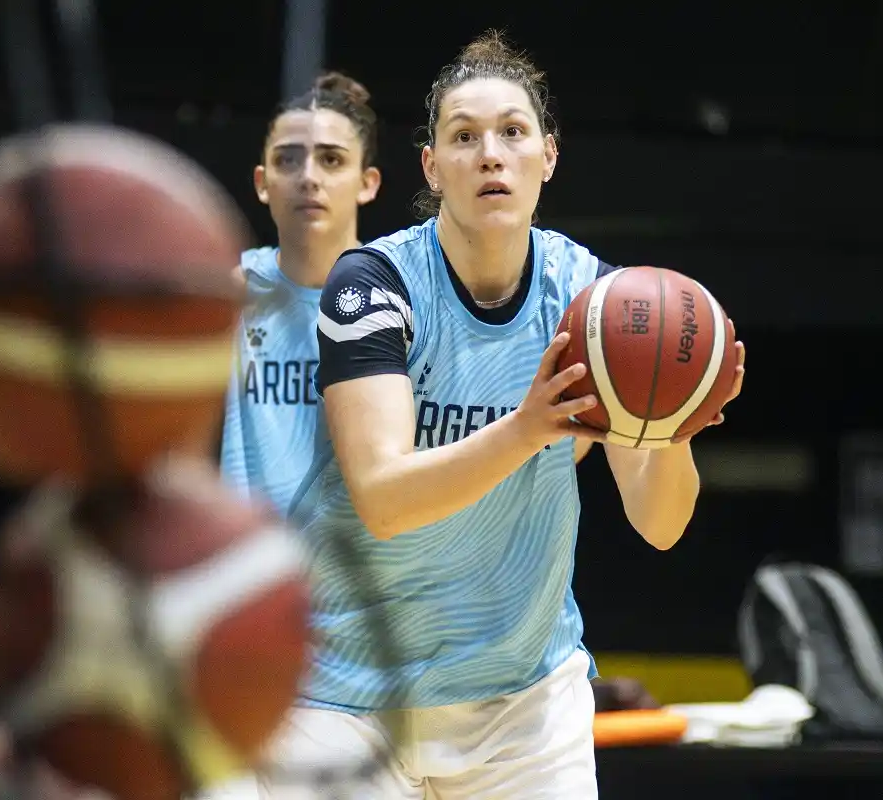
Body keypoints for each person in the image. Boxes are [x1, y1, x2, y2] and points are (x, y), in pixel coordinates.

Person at [263, 31, 746, 799]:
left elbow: (660, 524)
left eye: (513, 133)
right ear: (432, 166)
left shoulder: (597, 305)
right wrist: (527, 428)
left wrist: (671, 427)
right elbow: (386, 500)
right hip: (349, 692)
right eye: (464, 136)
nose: (491, 154)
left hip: (521, 697)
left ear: (547, 156)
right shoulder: (372, 284)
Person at [220, 71, 382, 516]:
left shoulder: (404, 297)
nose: (308, 177)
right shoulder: (229, 295)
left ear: (368, 183)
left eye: (331, 160)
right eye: (288, 160)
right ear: (261, 181)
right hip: (252, 569)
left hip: (365, 576)